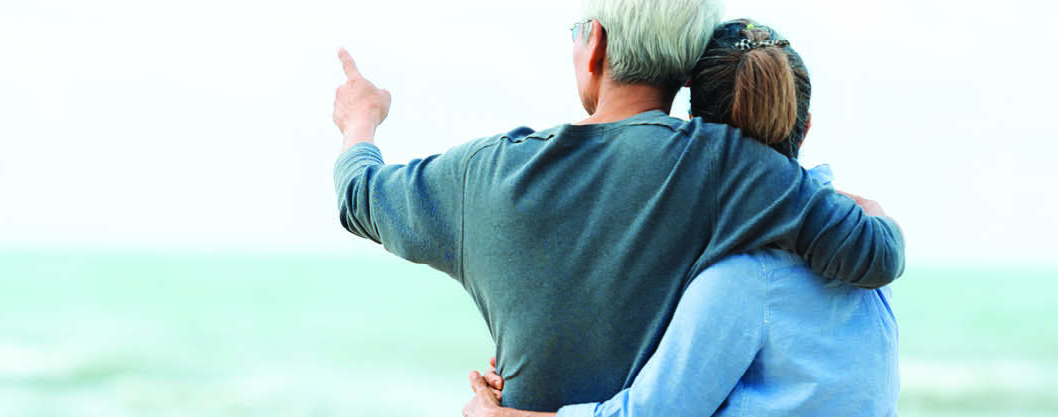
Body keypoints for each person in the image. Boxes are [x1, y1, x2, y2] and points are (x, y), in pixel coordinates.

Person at [330, 0, 905, 412]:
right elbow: (872, 254)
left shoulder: (479, 173)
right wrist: (867, 206)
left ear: (596, 43)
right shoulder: (735, 166)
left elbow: (359, 197)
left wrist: (361, 120)